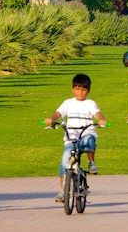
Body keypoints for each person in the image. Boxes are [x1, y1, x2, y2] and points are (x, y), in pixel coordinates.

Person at [44, 73, 107, 202]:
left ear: (88, 91)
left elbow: (98, 114)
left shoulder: (90, 103)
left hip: (85, 133)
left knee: (89, 140)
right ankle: (63, 191)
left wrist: (101, 120)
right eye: (77, 89)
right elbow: (58, 113)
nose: (80, 93)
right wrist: (51, 119)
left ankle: (91, 162)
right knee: (64, 162)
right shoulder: (68, 103)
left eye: (83, 90)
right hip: (71, 136)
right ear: (73, 89)